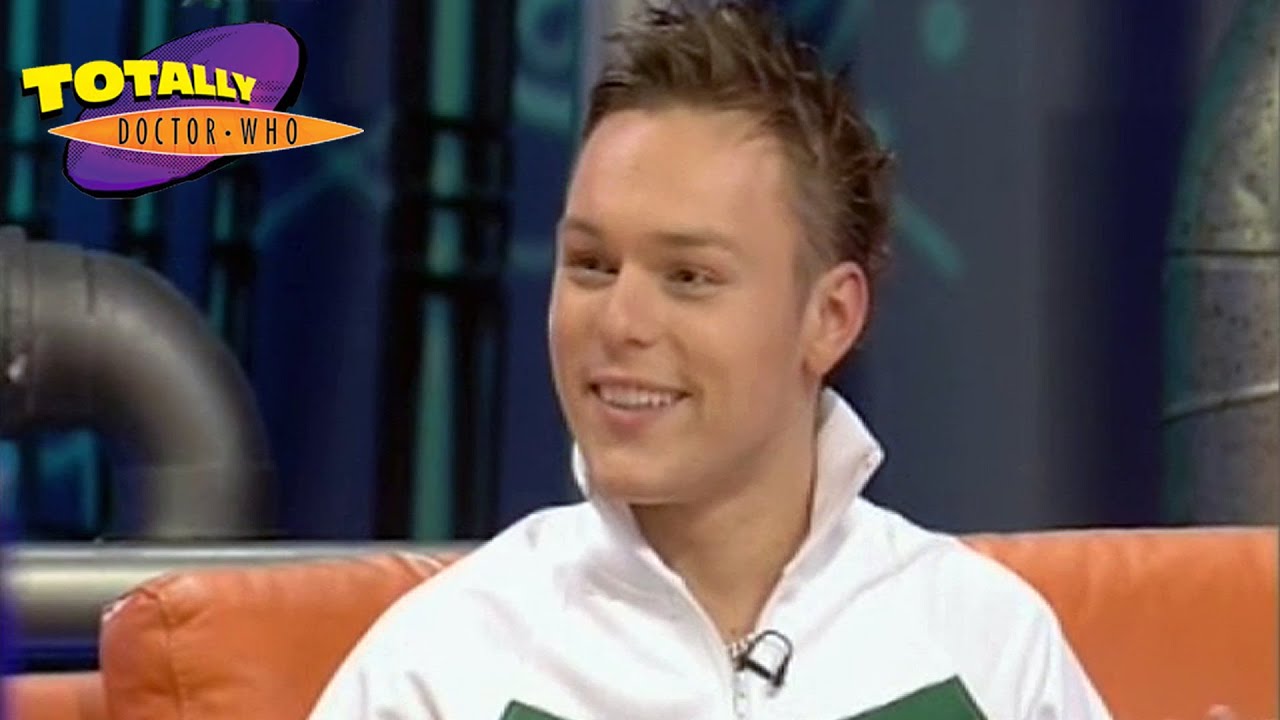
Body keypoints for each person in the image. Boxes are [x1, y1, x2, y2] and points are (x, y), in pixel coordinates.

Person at [309, 2, 1113, 718]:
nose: (620, 322)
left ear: (830, 317)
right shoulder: (440, 671)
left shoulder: (987, 648)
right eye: (591, 265)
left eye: (688, 277)